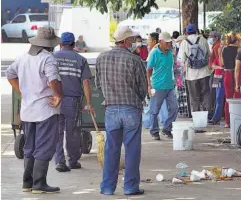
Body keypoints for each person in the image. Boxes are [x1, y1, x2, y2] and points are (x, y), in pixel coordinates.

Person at [5, 27, 62, 193]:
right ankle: (39, 184)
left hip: (28, 110)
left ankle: (27, 183)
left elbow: (10, 74)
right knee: (44, 146)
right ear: (50, 45)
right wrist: (58, 95)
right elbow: (52, 79)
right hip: (46, 110)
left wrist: (22, 92)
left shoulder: (22, 58)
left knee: (29, 147)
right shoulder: (48, 59)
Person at [95, 27, 147, 196]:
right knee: (132, 149)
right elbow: (143, 88)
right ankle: (130, 187)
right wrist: (136, 98)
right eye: (131, 40)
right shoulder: (135, 60)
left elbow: (98, 84)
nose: (133, 43)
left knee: (111, 149)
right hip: (131, 109)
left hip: (111, 109)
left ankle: (107, 187)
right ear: (125, 41)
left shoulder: (101, 58)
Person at [54, 32, 94, 172]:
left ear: (60, 44)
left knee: (57, 131)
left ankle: (59, 161)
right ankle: (73, 160)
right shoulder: (80, 59)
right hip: (73, 100)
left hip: (55, 99)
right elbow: (86, 84)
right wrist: (89, 103)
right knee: (72, 131)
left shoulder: (52, 58)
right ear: (74, 44)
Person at [147, 32, 178, 140]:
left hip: (170, 85)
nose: (169, 44)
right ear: (161, 42)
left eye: (170, 42)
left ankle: (167, 129)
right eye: (167, 42)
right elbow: (149, 69)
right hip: (157, 86)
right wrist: (149, 85)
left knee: (174, 108)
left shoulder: (170, 52)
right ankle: (154, 131)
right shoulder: (154, 53)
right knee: (154, 110)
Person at [178, 24, 211, 112]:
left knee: (194, 96)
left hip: (191, 75)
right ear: (196, 31)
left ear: (186, 32)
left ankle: (196, 115)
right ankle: (206, 114)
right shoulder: (203, 40)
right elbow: (208, 54)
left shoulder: (184, 42)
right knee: (206, 94)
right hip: (204, 72)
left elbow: (182, 59)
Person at [145, 32, 168, 135]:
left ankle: (157, 127)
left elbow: (149, 70)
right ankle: (160, 126)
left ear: (154, 41)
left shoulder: (154, 52)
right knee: (159, 105)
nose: (147, 42)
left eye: (149, 40)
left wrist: (149, 84)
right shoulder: (157, 51)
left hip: (157, 84)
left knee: (156, 106)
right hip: (159, 84)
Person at [222, 35, 241, 128]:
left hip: (227, 74)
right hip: (236, 74)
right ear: (236, 41)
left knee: (228, 99)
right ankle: (237, 120)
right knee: (238, 97)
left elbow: (222, 63)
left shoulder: (223, 49)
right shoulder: (239, 51)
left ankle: (227, 122)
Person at [209, 38, 226, 124]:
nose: (221, 46)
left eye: (223, 44)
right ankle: (216, 116)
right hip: (217, 77)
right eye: (221, 44)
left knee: (220, 98)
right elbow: (213, 65)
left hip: (221, 77)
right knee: (217, 98)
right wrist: (219, 67)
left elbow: (222, 64)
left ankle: (216, 117)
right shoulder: (219, 56)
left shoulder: (224, 55)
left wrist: (220, 53)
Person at [208, 31, 221, 120]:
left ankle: (214, 114)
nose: (210, 38)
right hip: (214, 72)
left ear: (216, 37)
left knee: (214, 93)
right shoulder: (215, 46)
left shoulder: (217, 47)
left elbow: (218, 60)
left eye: (211, 37)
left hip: (216, 73)